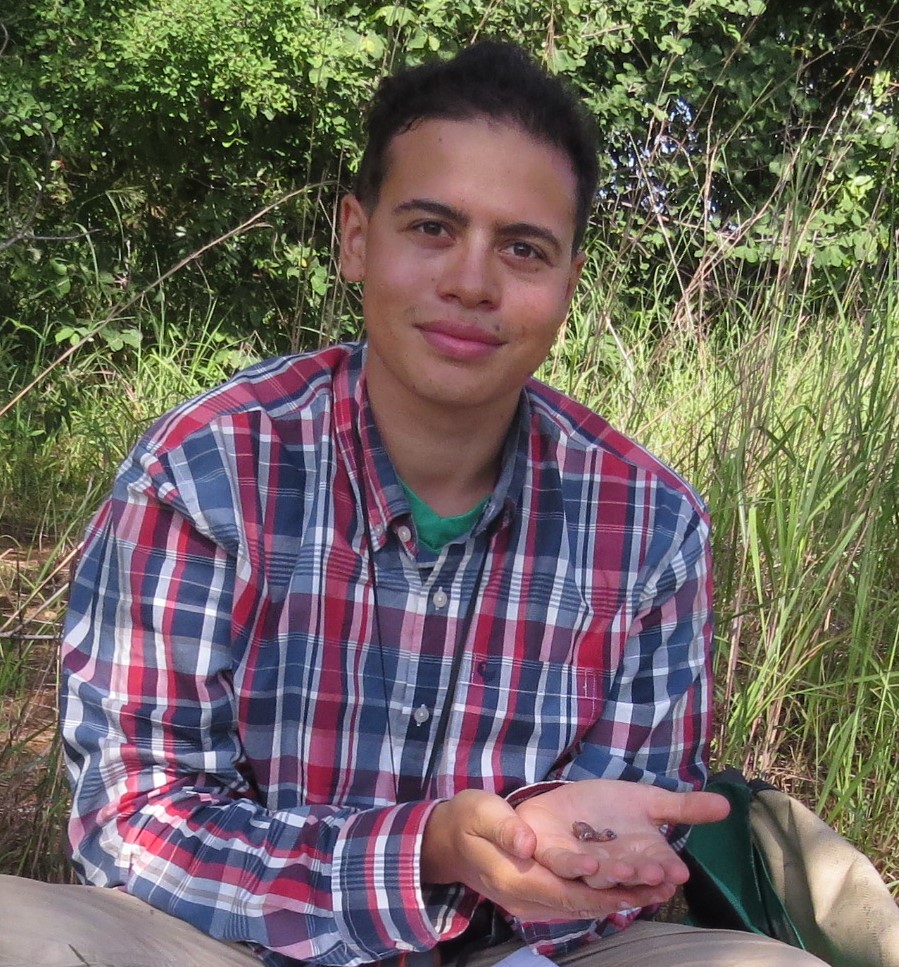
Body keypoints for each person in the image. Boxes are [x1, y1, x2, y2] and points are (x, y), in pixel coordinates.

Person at [0, 41, 825, 967]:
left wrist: (575, 861)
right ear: (357, 237)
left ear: (568, 282)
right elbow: (136, 816)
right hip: (229, 943)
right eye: (431, 228)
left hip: (508, 951)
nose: (472, 282)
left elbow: (635, 833)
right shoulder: (205, 471)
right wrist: (423, 850)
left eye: (522, 247)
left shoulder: (650, 523)